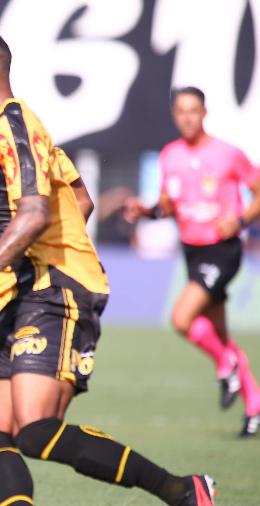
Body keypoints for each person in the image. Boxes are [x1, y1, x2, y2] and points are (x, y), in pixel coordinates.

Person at [0, 30, 216, 506]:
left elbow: (33, 213)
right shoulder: (6, 134)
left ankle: (182, 491)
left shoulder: (12, 127)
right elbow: (80, 198)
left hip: (51, 292)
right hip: (20, 297)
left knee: (35, 429)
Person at [125, 86, 260, 437]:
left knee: (181, 318)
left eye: (193, 111)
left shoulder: (228, 154)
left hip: (222, 249)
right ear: (174, 115)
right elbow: (167, 206)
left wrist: (240, 220)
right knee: (219, 335)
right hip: (193, 251)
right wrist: (147, 211)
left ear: (204, 113)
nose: (187, 117)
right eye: (181, 111)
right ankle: (254, 406)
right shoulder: (170, 155)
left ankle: (226, 366)